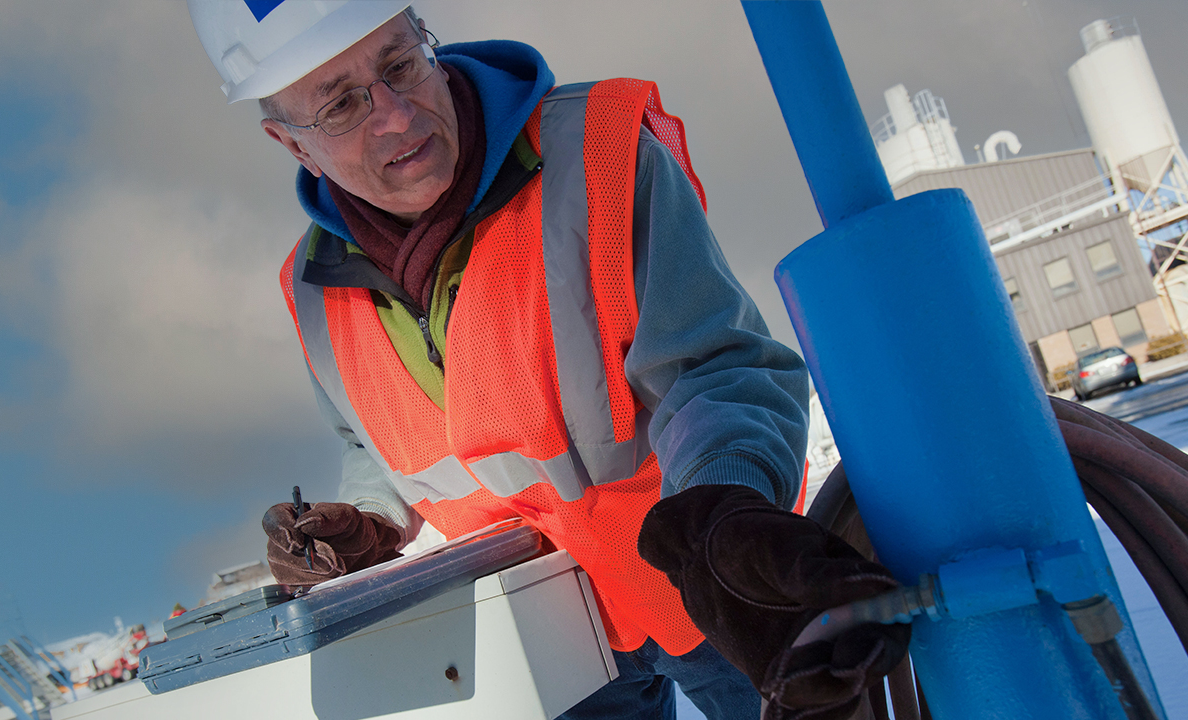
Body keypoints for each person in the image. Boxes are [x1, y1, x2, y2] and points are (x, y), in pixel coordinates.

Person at [187, 3, 908, 718]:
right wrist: (367, 522)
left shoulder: (594, 158)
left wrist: (723, 516)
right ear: (291, 144)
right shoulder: (313, 292)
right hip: (547, 636)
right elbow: (372, 438)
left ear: (425, 39)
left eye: (401, 66)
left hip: (699, 590)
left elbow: (713, 372)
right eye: (342, 104)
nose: (397, 116)